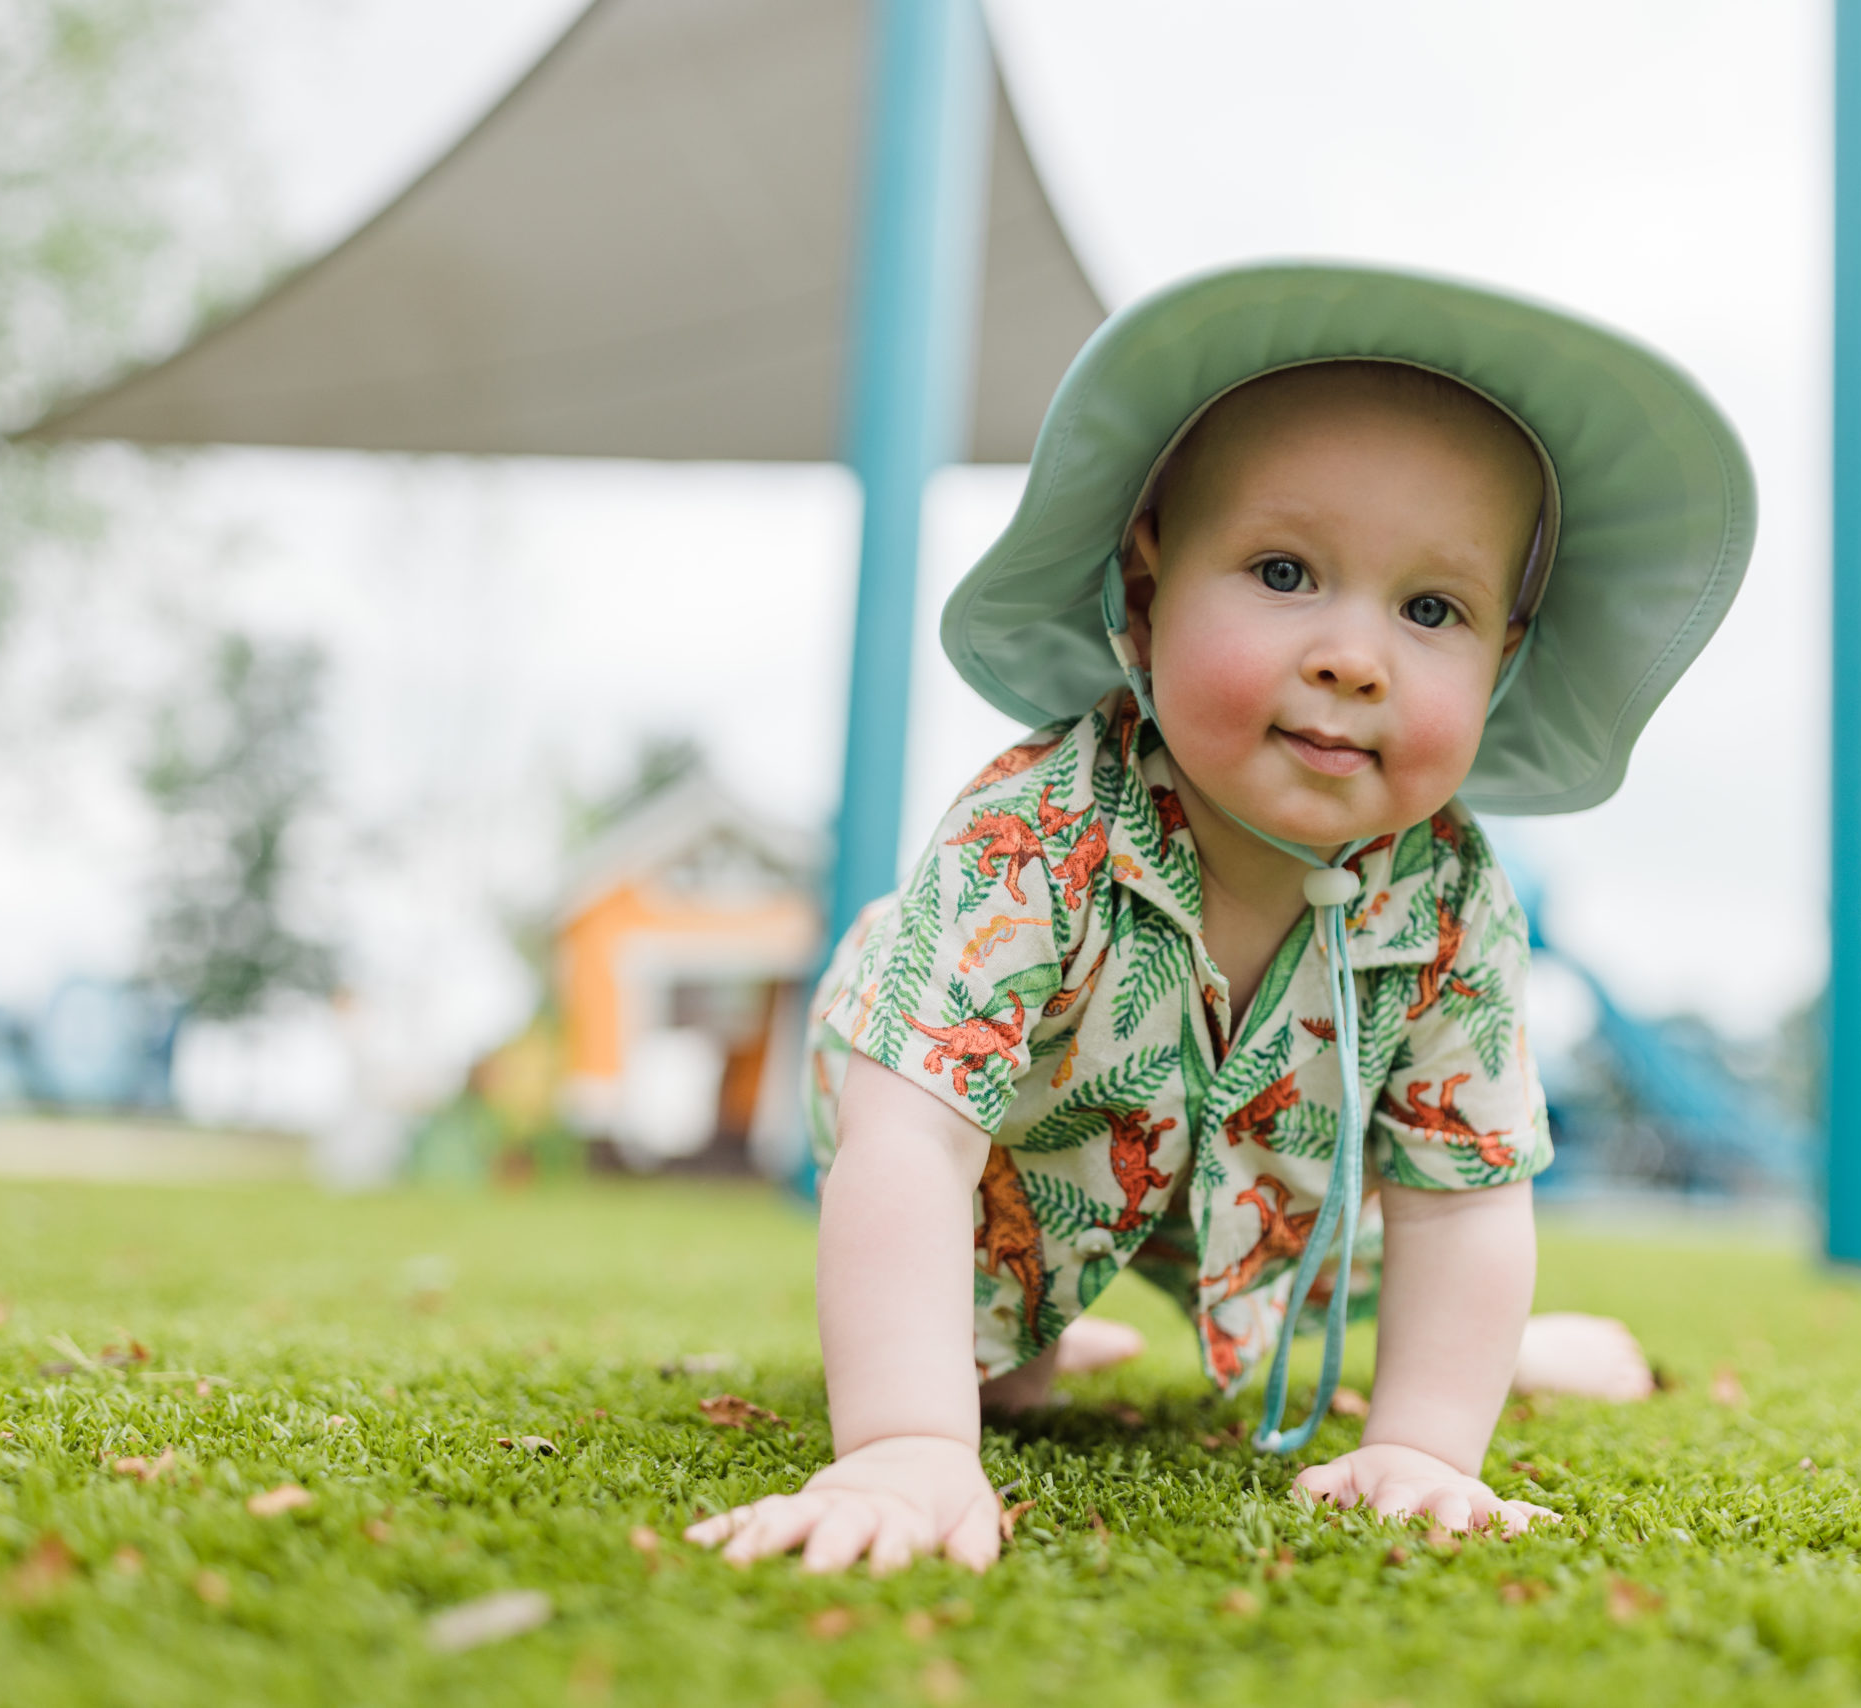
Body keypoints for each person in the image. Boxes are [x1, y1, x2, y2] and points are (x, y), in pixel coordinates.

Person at [687, 262, 1754, 1574]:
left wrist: (1423, 1444)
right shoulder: (1038, 831)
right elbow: (908, 1145)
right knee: (968, 1288)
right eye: (1285, 570)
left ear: (1506, 659)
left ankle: (1536, 1349)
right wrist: (907, 1442)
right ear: (1143, 594)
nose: (1353, 655)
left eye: (1432, 609)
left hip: (1287, 1170)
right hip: (996, 1129)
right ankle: (1010, 1338)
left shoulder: (1450, 895)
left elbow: (1463, 1198)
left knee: (1372, 1259)